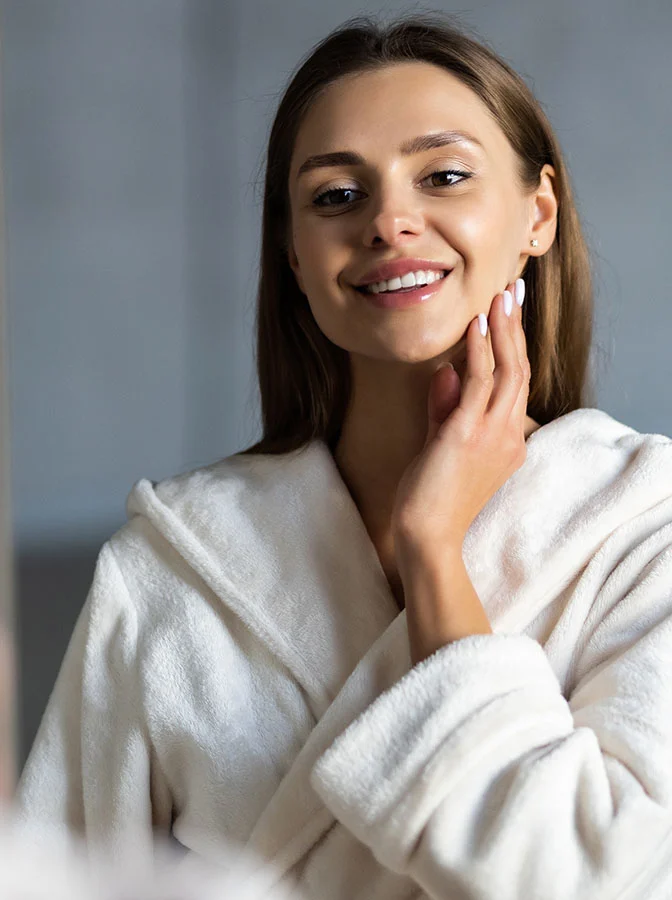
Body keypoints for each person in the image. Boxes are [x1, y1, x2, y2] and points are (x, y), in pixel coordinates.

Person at [12, 11, 672, 899]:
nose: (390, 221)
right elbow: (54, 878)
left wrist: (434, 548)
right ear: (293, 251)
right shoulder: (169, 569)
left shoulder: (646, 532)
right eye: (335, 196)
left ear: (537, 215)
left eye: (442, 175)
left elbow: (591, 881)